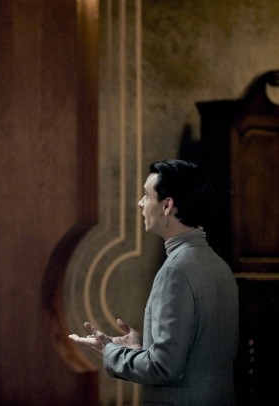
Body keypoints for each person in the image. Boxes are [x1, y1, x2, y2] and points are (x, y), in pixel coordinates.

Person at [69, 159, 239, 405]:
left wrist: (109, 351)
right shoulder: (220, 266)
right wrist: (143, 347)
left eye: (147, 195)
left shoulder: (175, 271)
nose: (140, 203)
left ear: (167, 205)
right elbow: (199, 353)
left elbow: (162, 368)